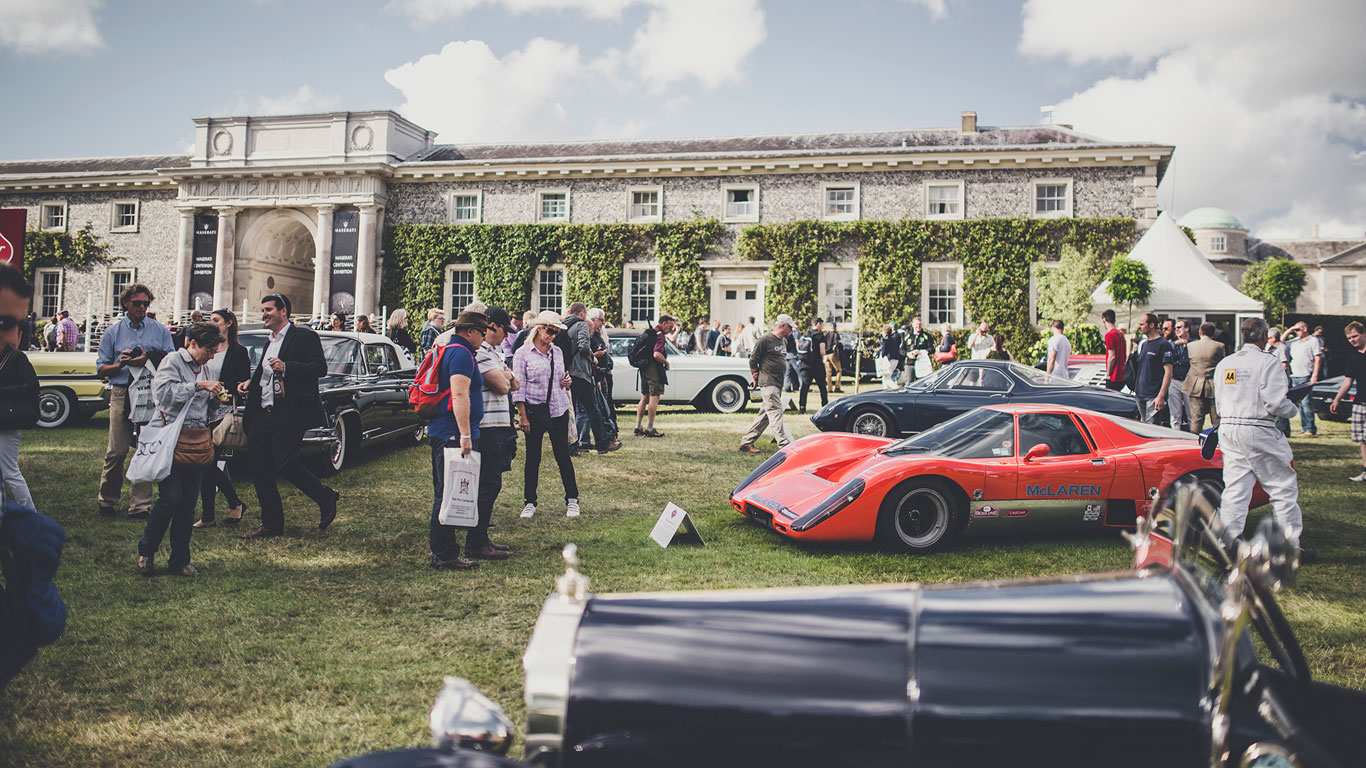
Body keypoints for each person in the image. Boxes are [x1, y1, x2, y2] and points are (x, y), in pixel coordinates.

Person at [237, 294, 339, 539]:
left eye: (268, 309)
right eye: (262, 310)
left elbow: (319, 368)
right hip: (263, 412)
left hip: (290, 412)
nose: (264, 314)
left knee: (285, 463)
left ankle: (325, 496)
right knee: (259, 467)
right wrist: (249, 384)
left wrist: (288, 367)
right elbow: (265, 373)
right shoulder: (269, 340)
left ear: (283, 311)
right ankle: (271, 524)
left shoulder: (303, 336)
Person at [1215, 317, 1312, 561]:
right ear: (1262, 336)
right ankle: (1286, 546)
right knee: (1282, 488)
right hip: (1257, 426)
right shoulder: (1267, 362)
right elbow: (1276, 402)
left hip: (1228, 426)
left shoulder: (1225, 363)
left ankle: (1227, 542)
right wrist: (1293, 407)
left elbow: (1219, 401)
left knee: (1235, 488)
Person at [135, 322, 226, 577]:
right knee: (170, 499)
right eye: (209, 349)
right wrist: (198, 386)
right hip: (171, 439)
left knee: (188, 504)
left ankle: (180, 560)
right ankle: (146, 550)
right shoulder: (172, 361)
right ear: (192, 343)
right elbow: (163, 396)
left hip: (196, 440)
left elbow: (207, 408)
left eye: (215, 350)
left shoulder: (206, 367)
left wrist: (218, 398)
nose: (213, 354)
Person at [95, 284, 175, 518]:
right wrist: (121, 364)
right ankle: (107, 500)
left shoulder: (159, 330)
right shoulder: (113, 332)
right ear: (126, 304)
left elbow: (171, 359)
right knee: (117, 450)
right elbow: (101, 368)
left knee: (146, 447)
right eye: (137, 303)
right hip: (122, 390)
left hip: (150, 392)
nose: (142, 307)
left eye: (145, 303)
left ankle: (140, 505)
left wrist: (148, 357)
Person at [427, 311, 493, 571]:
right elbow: (459, 394)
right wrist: (465, 434)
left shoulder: (455, 350)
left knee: (447, 490)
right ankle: (445, 553)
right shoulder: (461, 354)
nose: (484, 336)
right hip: (452, 433)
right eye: (482, 331)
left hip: (448, 431)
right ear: (470, 331)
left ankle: (446, 550)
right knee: (447, 492)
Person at [512, 311, 579, 519]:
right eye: (550, 330)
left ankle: (572, 500)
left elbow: (560, 377)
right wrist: (522, 415)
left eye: (556, 332)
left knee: (563, 456)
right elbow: (518, 388)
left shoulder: (557, 351)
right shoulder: (522, 353)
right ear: (538, 328)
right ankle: (530, 502)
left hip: (558, 409)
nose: (552, 335)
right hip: (534, 411)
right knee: (533, 458)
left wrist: (565, 381)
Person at [194, 309, 250, 528]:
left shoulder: (239, 351)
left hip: (223, 410)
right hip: (201, 409)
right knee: (204, 462)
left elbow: (242, 382)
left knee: (207, 461)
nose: (212, 323)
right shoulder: (206, 348)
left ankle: (218, 511)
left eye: (216, 320)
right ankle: (223, 508)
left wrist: (225, 389)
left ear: (228, 324)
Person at [470, 307, 519, 558]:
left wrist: (507, 376)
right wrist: (506, 377)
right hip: (487, 426)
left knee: (492, 481)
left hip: (499, 424)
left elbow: (516, 383)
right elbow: (503, 386)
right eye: (504, 331)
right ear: (492, 327)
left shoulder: (494, 353)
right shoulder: (480, 352)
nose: (506, 337)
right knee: (488, 483)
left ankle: (480, 537)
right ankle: (476, 539)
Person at [0, 265, 38, 512]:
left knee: (10, 471)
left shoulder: (15, 357)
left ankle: (30, 513)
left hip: (8, 420)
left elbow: (31, 386)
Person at [564, 303, 621, 456]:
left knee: (572, 411)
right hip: (581, 373)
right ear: (582, 313)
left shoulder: (564, 325)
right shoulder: (581, 324)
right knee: (593, 408)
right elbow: (583, 346)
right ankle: (602, 443)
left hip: (568, 373)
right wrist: (592, 358)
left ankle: (571, 446)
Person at [740, 315, 796, 453]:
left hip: (777, 383)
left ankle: (747, 442)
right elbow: (753, 361)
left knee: (765, 415)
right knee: (776, 413)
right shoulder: (764, 340)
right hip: (768, 383)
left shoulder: (784, 340)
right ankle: (784, 445)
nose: (792, 330)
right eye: (790, 327)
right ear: (782, 326)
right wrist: (755, 377)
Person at [1330, 321, 1366, 482]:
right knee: (1362, 440)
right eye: (1349, 338)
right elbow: (1347, 381)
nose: (1352, 340)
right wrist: (1337, 399)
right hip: (1360, 403)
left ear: (1364, 334)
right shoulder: (1354, 356)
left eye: (1355, 336)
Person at [634, 315, 678, 438]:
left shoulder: (650, 333)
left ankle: (637, 426)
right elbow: (657, 354)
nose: (671, 328)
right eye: (670, 325)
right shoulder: (660, 335)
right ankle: (649, 428)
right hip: (653, 368)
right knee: (654, 397)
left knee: (644, 397)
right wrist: (666, 363)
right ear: (663, 323)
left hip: (644, 367)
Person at [1132, 312, 1175, 424]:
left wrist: (1161, 396)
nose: (1139, 327)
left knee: (1151, 429)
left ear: (1151, 325)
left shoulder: (1163, 345)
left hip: (1153, 396)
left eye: (1142, 324)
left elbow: (1168, 372)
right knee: (1143, 428)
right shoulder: (1144, 344)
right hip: (1140, 394)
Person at [1184, 323, 1226, 434]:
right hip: (1213, 386)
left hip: (1195, 385)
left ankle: (1194, 443)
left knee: (1196, 419)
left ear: (1200, 333)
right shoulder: (1219, 346)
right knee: (1216, 419)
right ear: (1213, 334)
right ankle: (1217, 444)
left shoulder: (1191, 346)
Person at [1285, 320, 1322, 436]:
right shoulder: (1294, 341)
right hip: (1294, 374)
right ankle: (1304, 426)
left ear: (1305, 329)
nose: (1296, 332)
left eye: (1298, 330)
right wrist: (1290, 330)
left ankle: (1310, 428)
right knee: (1299, 403)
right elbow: (1279, 342)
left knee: (1306, 403)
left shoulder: (1313, 341)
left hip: (1306, 374)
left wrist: (1315, 374)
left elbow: (1318, 358)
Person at [1164, 319, 1192, 432]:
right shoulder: (1172, 345)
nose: (1176, 329)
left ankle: (1193, 437)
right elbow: (1169, 360)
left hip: (1188, 380)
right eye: (1175, 328)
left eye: (1179, 327)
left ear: (1187, 328)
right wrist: (1176, 344)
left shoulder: (1194, 344)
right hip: (1174, 380)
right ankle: (1176, 436)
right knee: (1175, 414)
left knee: (1192, 413)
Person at [797, 317, 828, 414]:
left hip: (805, 365)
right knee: (822, 386)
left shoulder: (806, 334)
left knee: (804, 387)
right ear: (818, 324)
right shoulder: (820, 336)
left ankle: (802, 407)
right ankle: (825, 406)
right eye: (821, 324)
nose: (822, 326)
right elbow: (822, 352)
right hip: (817, 365)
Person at [1101, 309, 1126, 391]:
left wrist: (1108, 374)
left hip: (1113, 377)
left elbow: (1112, 357)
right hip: (1122, 375)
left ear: (1104, 320)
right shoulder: (1121, 334)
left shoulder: (1109, 335)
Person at [903, 317, 934, 383]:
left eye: (920, 324)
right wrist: (908, 354)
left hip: (922, 364)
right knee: (909, 384)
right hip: (910, 364)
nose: (918, 326)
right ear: (913, 325)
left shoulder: (926, 336)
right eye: (916, 324)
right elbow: (901, 350)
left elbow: (932, 349)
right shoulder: (907, 336)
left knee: (922, 384)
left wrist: (922, 352)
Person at [878, 323, 903, 389]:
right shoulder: (893, 339)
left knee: (887, 378)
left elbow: (883, 350)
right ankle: (885, 390)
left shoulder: (885, 340)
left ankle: (897, 388)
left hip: (890, 360)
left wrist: (878, 354)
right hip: (896, 359)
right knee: (885, 377)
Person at [824, 321, 843, 392]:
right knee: (839, 370)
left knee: (828, 372)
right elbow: (836, 344)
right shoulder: (835, 334)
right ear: (835, 327)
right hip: (832, 354)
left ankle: (829, 388)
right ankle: (837, 387)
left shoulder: (827, 334)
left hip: (825, 355)